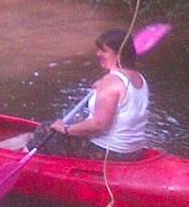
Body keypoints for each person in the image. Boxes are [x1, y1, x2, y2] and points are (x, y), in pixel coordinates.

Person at [35, 28, 149, 160]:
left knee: (46, 130)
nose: (98, 53)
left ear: (118, 54)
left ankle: (23, 157)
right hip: (133, 151)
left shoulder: (110, 82)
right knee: (79, 119)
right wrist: (103, 84)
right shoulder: (138, 77)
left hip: (110, 153)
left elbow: (99, 124)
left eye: (104, 51)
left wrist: (65, 129)